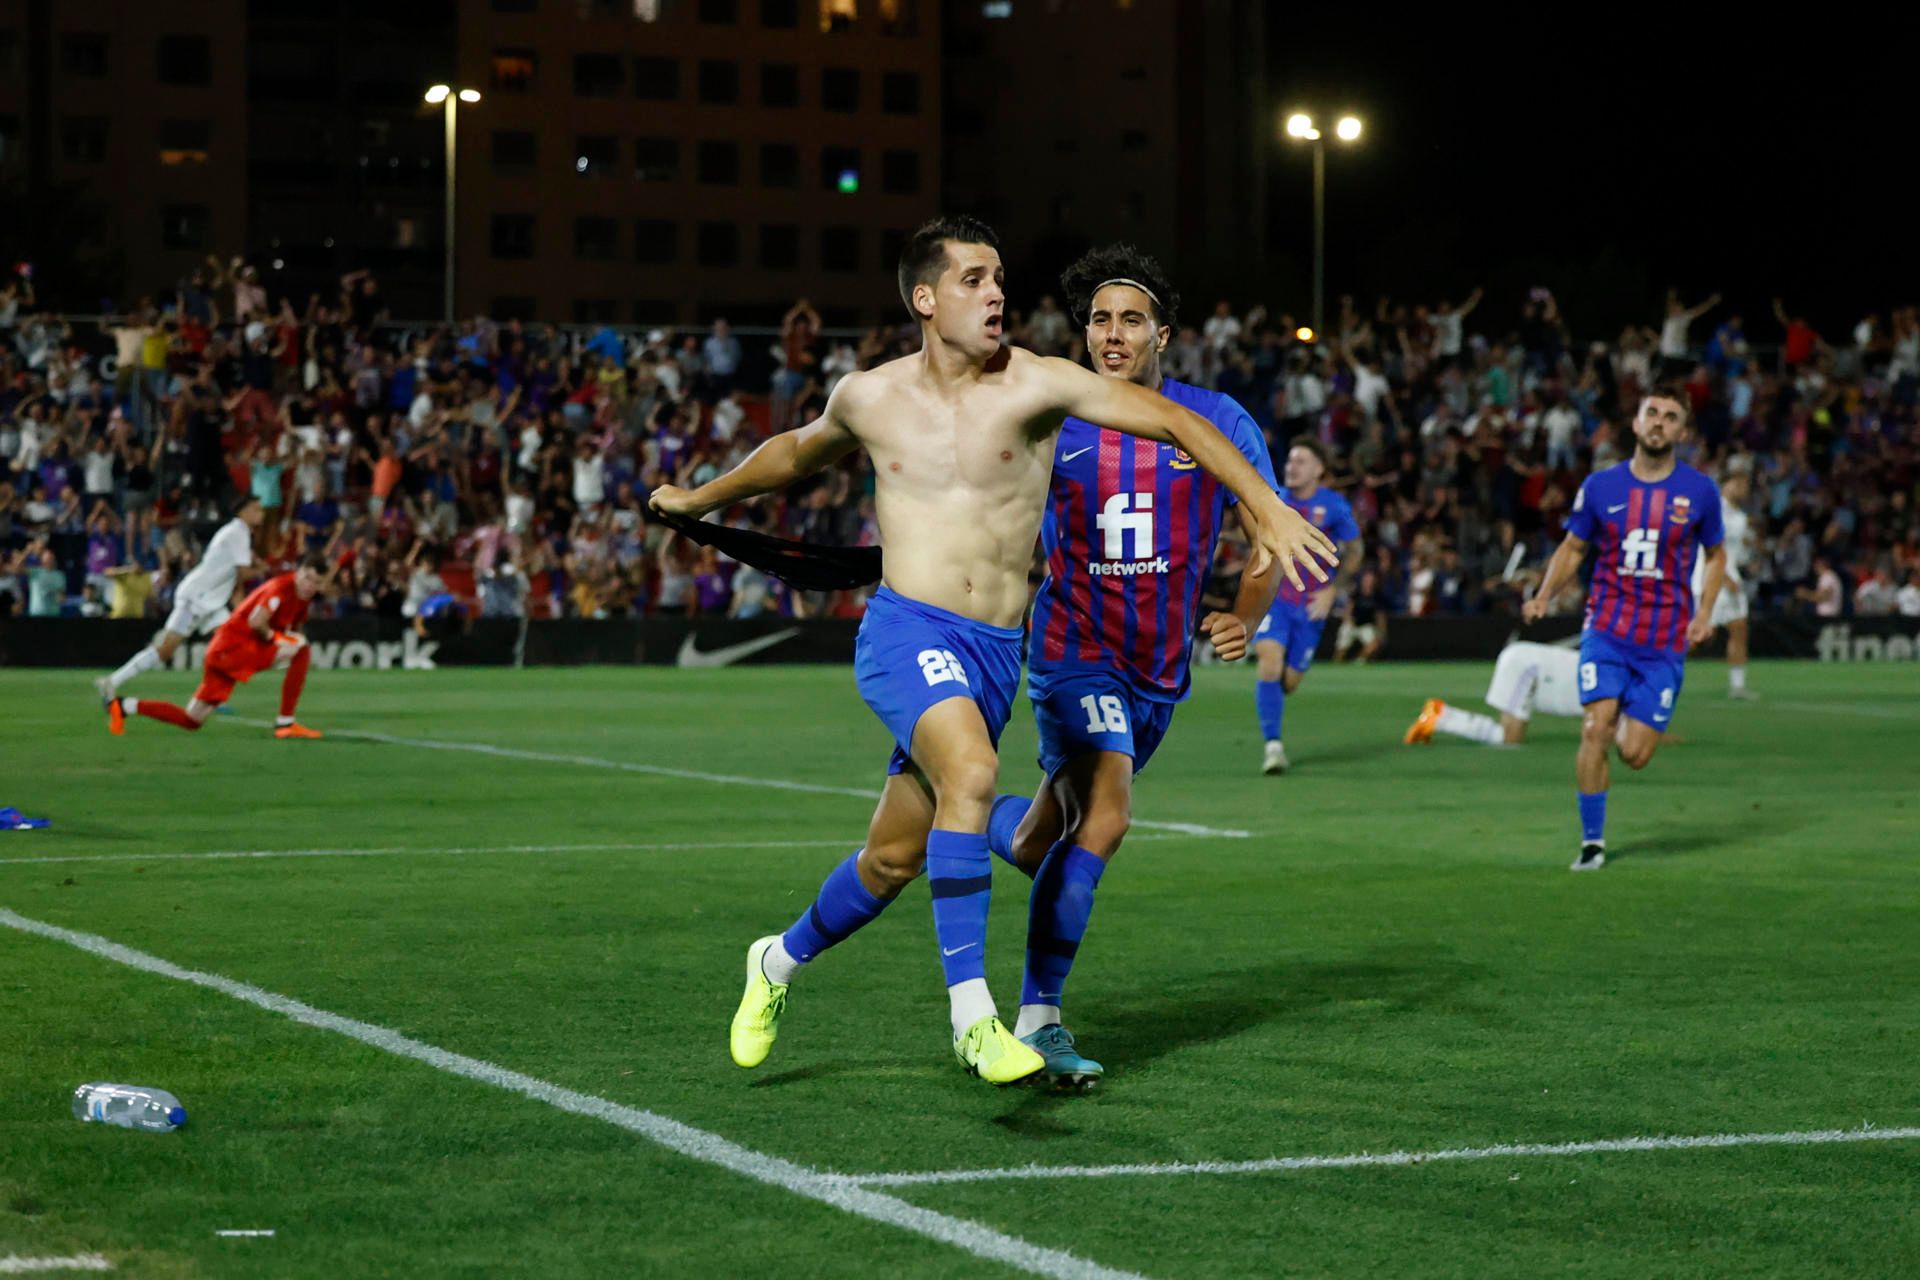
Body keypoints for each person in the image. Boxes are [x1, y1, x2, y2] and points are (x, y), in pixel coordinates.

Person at [649, 216, 1334, 1086]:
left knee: (896, 855)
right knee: (973, 772)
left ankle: (775, 963)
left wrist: (1266, 513)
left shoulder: (1037, 387)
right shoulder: (870, 396)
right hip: (908, 631)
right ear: (927, 299)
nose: (998, 292)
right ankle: (976, 1018)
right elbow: (795, 455)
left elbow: (1176, 422)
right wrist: (699, 498)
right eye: (976, 279)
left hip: (995, 654)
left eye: (1001, 277)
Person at [975, 244, 1281, 1087]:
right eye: (1100, 320)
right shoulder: (1051, 417)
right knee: (1106, 817)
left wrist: (1244, 616)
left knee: (1044, 842)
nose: (1112, 334)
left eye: (1130, 320)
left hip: (1157, 671)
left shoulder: (1216, 418)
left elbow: (1268, 533)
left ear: (1164, 335)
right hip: (1075, 651)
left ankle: (961, 812)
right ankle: (1040, 1022)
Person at [1523, 391, 1725, 870]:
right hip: (1608, 628)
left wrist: (1705, 613)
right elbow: (1573, 548)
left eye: (1670, 418)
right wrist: (1545, 594)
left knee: (1634, 754)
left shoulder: (1700, 492)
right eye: (1651, 413)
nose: (1659, 423)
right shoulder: (1600, 487)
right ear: (1635, 424)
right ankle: (1592, 844)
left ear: (1682, 433)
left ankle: (1623, 719)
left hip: (1663, 642)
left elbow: (1716, 556)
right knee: (1595, 728)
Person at [104, 558, 327, 740]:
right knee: (302, 650)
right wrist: (278, 640)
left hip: (222, 652)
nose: (310, 586)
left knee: (192, 720)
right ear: (299, 571)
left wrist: (285, 642)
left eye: (316, 583)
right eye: (307, 578)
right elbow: (257, 622)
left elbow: (293, 629)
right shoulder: (281, 588)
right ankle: (285, 722)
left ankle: (123, 706)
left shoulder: (302, 598)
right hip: (233, 649)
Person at [1252, 438, 1364, 774]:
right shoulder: (1273, 501)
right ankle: (1273, 747)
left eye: (1301, 461)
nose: (1291, 466)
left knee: (1289, 682)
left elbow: (1355, 551)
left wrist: (1333, 591)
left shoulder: (1334, 506)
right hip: (1276, 600)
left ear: (1318, 469)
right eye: (1289, 460)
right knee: (1269, 662)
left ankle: (1273, 701)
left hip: (1312, 606)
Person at [96, 495, 262, 700]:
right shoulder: (238, 532)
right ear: (242, 512)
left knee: (229, 645)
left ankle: (212, 696)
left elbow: (236, 577)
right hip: (196, 597)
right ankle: (112, 681)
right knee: (166, 650)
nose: (260, 514)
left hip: (211, 601)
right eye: (256, 509)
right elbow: (243, 573)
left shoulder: (239, 532)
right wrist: (265, 570)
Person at [1405, 640, 1583, 746]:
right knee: (1509, 740)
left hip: (1533, 664)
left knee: (1508, 738)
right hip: (1524, 665)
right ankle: (1440, 717)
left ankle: (1441, 716)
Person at [1691, 469, 1758, 699]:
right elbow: (1706, 544)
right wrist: (1724, 577)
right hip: (1712, 577)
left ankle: (1737, 686)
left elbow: (1735, 549)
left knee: (1740, 629)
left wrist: (1748, 558)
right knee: (1697, 636)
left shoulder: (1739, 515)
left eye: (1745, 484)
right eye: (1737, 482)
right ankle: (1655, 672)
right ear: (1725, 484)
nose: (1742, 488)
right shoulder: (1715, 507)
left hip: (1731, 576)